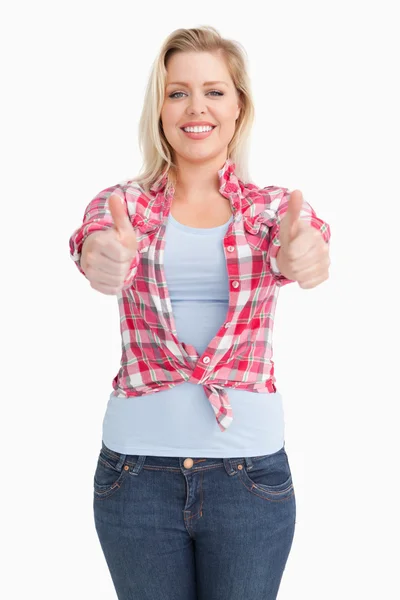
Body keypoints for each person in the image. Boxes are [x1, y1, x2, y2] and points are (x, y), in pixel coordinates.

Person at [69, 25, 331, 600]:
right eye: (177, 91)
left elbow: (305, 248)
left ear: (239, 107)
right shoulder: (124, 205)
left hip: (250, 481)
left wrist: (302, 255)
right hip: (135, 480)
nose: (196, 107)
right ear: (159, 108)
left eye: (214, 91)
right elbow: (93, 245)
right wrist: (103, 259)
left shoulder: (270, 211)